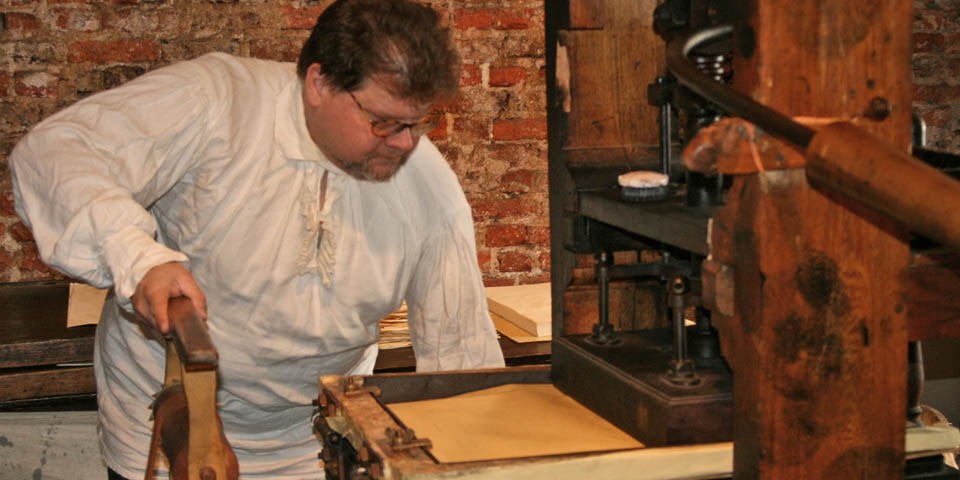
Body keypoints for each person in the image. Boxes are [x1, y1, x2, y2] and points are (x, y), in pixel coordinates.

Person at [8, 0, 505, 477]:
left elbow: (463, 359)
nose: (404, 143)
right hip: (168, 419)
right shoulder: (215, 101)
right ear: (318, 82)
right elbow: (55, 154)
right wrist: (137, 256)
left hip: (318, 439)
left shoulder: (428, 188)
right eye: (382, 122)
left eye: (419, 124)